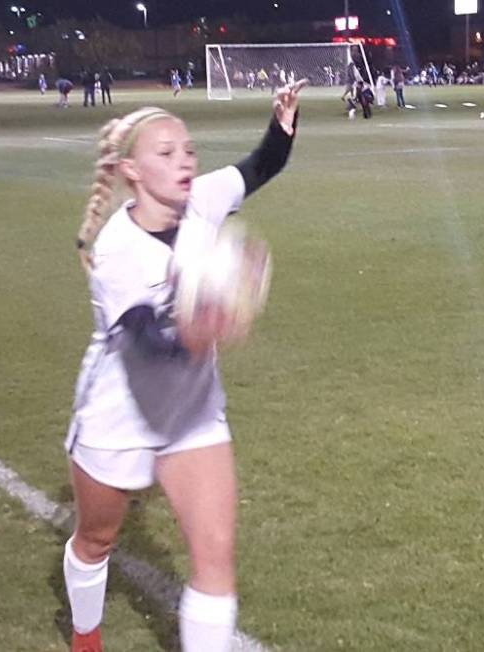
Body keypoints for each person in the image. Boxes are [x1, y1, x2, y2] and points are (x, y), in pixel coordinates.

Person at [63, 79, 306, 652]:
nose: (185, 162)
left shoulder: (203, 198)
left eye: (189, 150)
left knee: (215, 555)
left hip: (191, 413)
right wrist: (208, 325)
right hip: (120, 413)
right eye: (166, 154)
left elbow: (262, 164)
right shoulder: (116, 251)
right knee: (96, 539)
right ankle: (85, 636)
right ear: (132, 171)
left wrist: (284, 122)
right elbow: (151, 345)